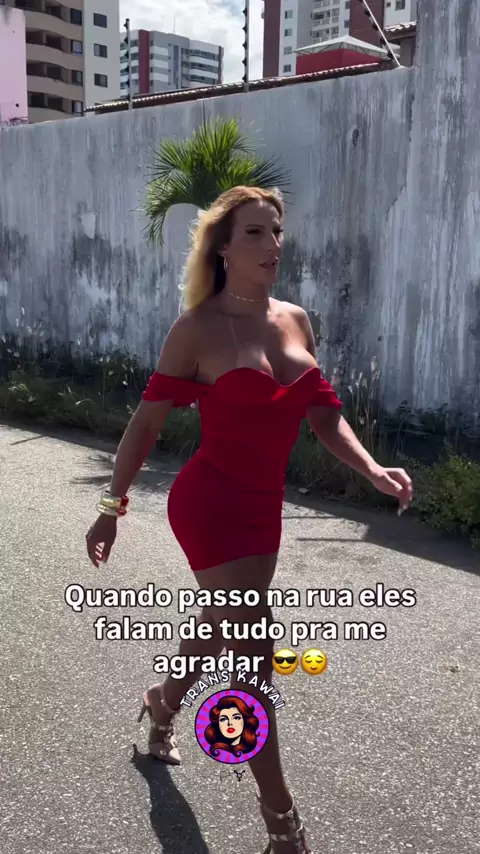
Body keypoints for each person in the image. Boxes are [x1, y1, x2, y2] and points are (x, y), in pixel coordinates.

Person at [86, 185, 413, 853]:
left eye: (277, 231)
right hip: (209, 504)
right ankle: (283, 826)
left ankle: (162, 702)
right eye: (256, 233)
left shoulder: (295, 320)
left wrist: (372, 468)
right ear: (224, 249)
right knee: (254, 658)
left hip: (264, 511)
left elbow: (324, 415)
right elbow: (146, 423)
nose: (273, 245)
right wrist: (110, 507)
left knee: (220, 624)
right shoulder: (197, 328)